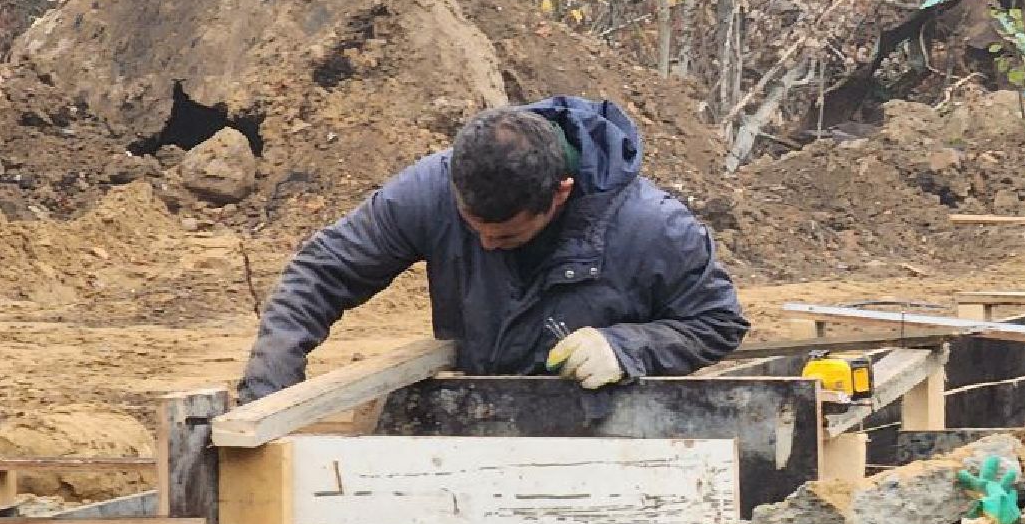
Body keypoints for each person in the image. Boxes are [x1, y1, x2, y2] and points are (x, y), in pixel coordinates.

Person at [238, 96, 748, 401]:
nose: (484, 245)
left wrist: (627, 347)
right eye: (471, 227)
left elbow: (718, 324)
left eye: (505, 236)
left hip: (601, 437)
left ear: (560, 193)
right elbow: (321, 274)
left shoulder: (652, 228)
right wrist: (265, 398)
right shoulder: (433, 189)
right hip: (479, 415)